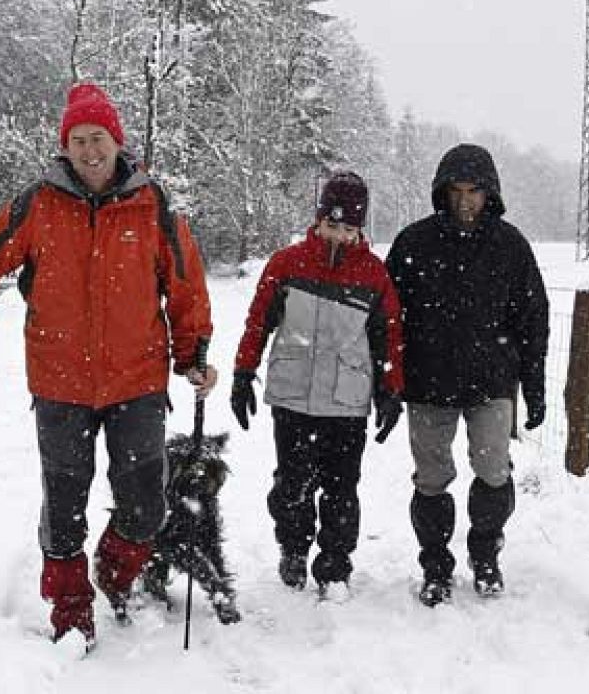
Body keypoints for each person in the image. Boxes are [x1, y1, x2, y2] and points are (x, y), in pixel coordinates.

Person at [0, 81, 217, 645]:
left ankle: (113, 572)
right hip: (60, 383)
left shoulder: (153, 205)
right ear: (65, 146)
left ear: (118, 141)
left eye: (100, 138)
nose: (90, 150)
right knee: (64, 504)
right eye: (79, 139)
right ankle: (70, 612)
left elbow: (185, 287)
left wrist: (194, 354)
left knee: (143, 506)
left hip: (136, 381)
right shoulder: (38, 204)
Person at [387, 144, 549, 606]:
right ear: (442, 191)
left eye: (475, 191)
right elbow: (387, 318)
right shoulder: (413, 244)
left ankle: (485, 553)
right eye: (456, 190)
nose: (465, 201)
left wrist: (533, 388)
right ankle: (436, 566)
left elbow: (533, 319)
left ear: (490, 193)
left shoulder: (511, 246)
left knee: (494, 472)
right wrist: (387, 381)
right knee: (432, 478)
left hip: (492, 384)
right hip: (428, 384)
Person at [231, 171, 405, 599]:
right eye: (333, 225)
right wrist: (242, 373)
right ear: (318, 219)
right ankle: (293, 547)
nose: (340, 236)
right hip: (293, 398)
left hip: (347, 402)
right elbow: (258, 323)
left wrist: (390, 390)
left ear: (360, 229)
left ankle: (334, 566)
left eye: (349, 229)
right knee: (292, 485)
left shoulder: (374, 275)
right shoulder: (287, 264)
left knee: (341, 490)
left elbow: (390, 338)